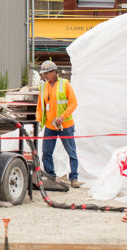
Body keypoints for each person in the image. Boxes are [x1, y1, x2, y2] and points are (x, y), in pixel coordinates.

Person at [36, 59, 80, 188]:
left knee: (71, 152)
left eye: (47, 73)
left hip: (65, 125)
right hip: (50, 125)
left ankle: (74, 178)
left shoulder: (65, 84)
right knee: (46, 152)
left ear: (54, 72)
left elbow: (73, 103)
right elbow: (40, 106)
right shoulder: (43, 87)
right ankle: (50, 176)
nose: (44, 76)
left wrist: (62, 117)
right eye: (43, 73)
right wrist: (38, 121)